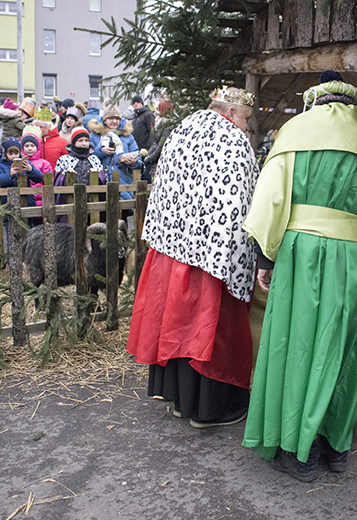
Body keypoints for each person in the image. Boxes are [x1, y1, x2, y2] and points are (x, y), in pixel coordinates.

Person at [241, 71, 357, 482]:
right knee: (343, 347)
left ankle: (300, 452)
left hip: (302, 254)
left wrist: (265, 258)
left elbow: (271, 198)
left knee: (297, 344)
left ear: (316, 98)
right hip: (352, 256)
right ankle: (336, 446)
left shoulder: (298, 129)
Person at [126, 86, 260, 428]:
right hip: (213, 254)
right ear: (231, 113)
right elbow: (241, 202)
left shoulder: (181, 131)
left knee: (176, 322)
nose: (247, 127)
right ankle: (209, 409)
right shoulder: (233, 140)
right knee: (209, 327)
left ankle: (179, 400)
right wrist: (243, 253)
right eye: (246, 119)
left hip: (172, 248)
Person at [89, 105, 144, 193]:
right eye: (111, 118)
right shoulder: (95, 135)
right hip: (101, 182)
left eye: (117, 118)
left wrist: (133, 162)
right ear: (105, 120)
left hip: (124, 183)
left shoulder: (128, 136)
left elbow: (138, 159)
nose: (114, 121)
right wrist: (101, 151)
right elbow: (87, 155)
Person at [0, 137, 44, 206]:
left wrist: (31, 170)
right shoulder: (0, 165)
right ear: (5, 154)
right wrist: (10, 174)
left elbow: (39, 178)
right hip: (8, 200)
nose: (14, 156)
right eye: (10, 154)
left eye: (16, 153)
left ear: (20, 153)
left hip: (26, 199)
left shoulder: (26, 163)